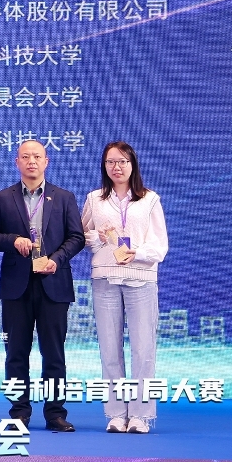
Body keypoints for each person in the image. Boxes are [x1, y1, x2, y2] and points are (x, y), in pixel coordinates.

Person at [0, 139, 84, 431]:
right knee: (16, 353)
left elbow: (76, 237)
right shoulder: (2, 197)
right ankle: (19, 412)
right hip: (16, 285)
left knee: (53, 353)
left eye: (37, 157)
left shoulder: (64, 197)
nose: (31, 161)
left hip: (54, 282)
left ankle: (55, 413)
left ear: (46, 161)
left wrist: (56, 258)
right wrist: (13, 240)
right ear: (17, 162)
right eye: (25, 157)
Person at [82, 141, 168, 434]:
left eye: (122, 161)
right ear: (104, 166)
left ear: (133, 164)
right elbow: (82, 235)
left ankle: (141, 416)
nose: (116, 167)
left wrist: (138, 253)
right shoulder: (95, 199)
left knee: (143, 350)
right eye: (110, 162)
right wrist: (98, 237)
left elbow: (159, 244)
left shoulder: (149, 199)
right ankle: (117, 414)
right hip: (105, 278)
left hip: (141, 278)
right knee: (109, 349)